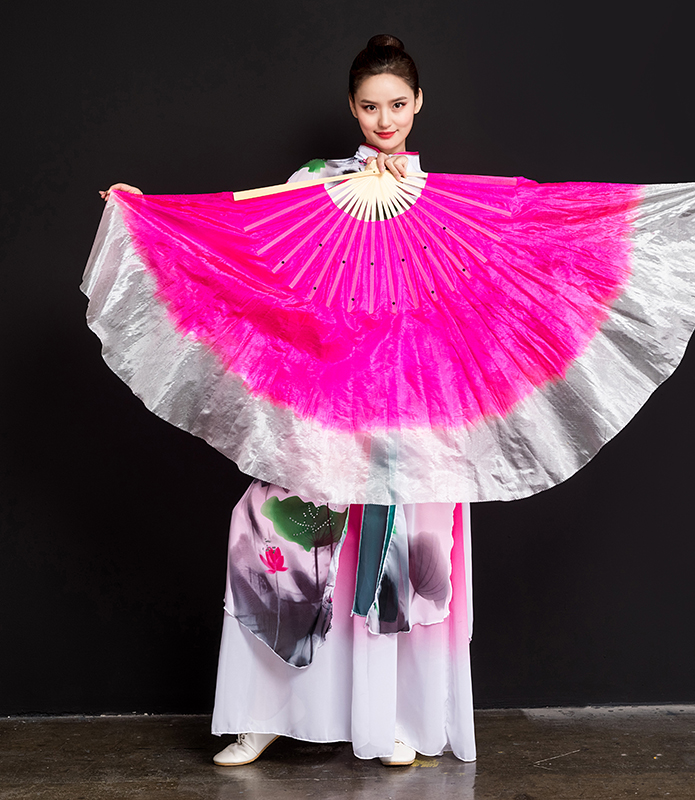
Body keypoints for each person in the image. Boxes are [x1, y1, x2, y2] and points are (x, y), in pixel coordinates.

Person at [101, 34, 477, 767]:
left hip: (411, 407)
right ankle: (265, 712)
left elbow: (491, 271)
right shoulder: (314, 185)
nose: (385, 120)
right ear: (352, 109)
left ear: (418, 104)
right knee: (278, 538)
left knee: (401, 557)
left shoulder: (444, 203)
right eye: (369, 106)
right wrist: (153, 216)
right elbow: (243, 233)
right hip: (327, 398)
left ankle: (393, 720)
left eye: (397, 104)